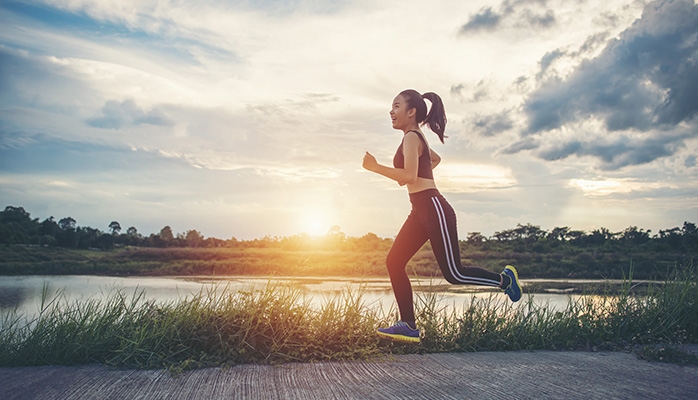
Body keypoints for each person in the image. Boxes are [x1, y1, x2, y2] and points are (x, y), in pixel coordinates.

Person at [362, 89, 522, 343]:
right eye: (390, 107)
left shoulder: (412, 138)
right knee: (394, 262)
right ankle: (408, 325)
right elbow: (433, 159)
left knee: (454, 274)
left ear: (411, 111)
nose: (391, 112)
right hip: (420, 211)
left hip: (434, 208)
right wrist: (416, 173)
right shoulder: (414, 139)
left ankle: (505, 280)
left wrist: (376, 168)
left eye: (396, 106)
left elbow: (410, 177)